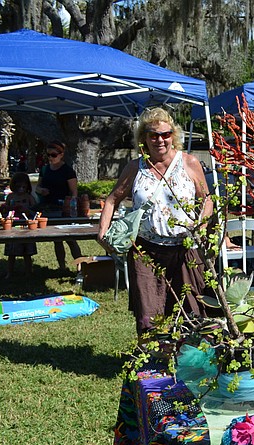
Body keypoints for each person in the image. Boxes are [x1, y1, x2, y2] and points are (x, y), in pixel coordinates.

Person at [97, 107, 211, 335]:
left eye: (166, 134)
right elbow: (112, 200)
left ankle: (191, 363)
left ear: (173, 136)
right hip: (145, 252)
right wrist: (102, 232)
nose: (160, 140)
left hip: (185, 250)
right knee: (149, 315)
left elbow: (207, 199)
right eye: (153, 135)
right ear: (144, 138)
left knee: (191, 311)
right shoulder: (134, 168)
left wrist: (202, 225)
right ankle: (153, 364)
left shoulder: (189, 163)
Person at [35, 140, 82, 270]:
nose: (50, 158)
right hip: (48, 208)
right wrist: (41, 191)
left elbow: (74, 192)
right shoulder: (44, 170)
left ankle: (80, 267)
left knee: (71, 239)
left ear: (61, 155)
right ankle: (62, 267)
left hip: (63, 209)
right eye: (48, 155)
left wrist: (72, 208)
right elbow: (37, 187)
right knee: (57, 240)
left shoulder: (68, 171)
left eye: (53, 155)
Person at [3, 172, 37, 278]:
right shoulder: (10, 197)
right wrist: (9, 208)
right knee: (11, 253)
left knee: (27, 253)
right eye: (18, 186)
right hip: (13, 226)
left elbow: (36, 210)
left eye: (24, 186)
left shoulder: (29, 197)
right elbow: (5, 209)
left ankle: (28, 272)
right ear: (14, 186)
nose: (21, 189)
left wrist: (27, 209)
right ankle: (9, 272)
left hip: (26, 227)